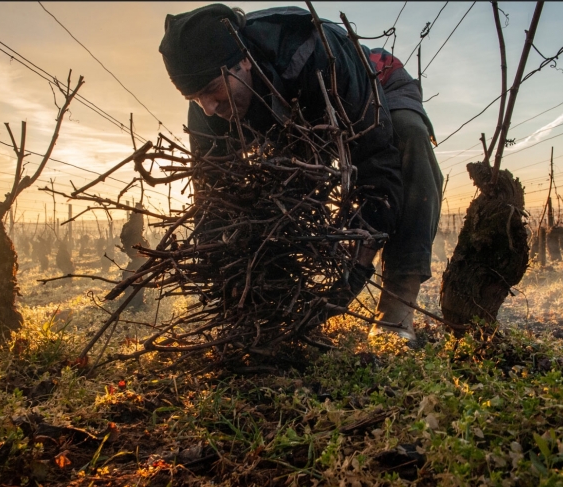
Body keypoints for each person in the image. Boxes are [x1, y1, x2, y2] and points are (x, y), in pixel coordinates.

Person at [159, 4, 443, 345]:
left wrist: (358, 261)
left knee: (407, 139)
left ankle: (397, 314)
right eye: (193, 98)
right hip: (297, 118)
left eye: (211, 90)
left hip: (373, 85)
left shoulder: (313, 52)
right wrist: (229, 280)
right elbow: (213, 195)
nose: (208, 107)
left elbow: (375, 160)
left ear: (243, 60)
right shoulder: (208, 108)